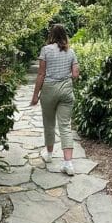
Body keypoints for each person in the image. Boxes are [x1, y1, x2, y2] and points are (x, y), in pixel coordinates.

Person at [31, 23, 80, 175]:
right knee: (65, 126)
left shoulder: (45, 50)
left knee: (49, 123)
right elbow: (75, 74)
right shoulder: (71, 52)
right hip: (66, 90)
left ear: (51, 35)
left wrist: (35, 95)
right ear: (65, 35)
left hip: (49, 90)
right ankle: (68, 164)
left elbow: (41, 74)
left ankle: (50, 155)